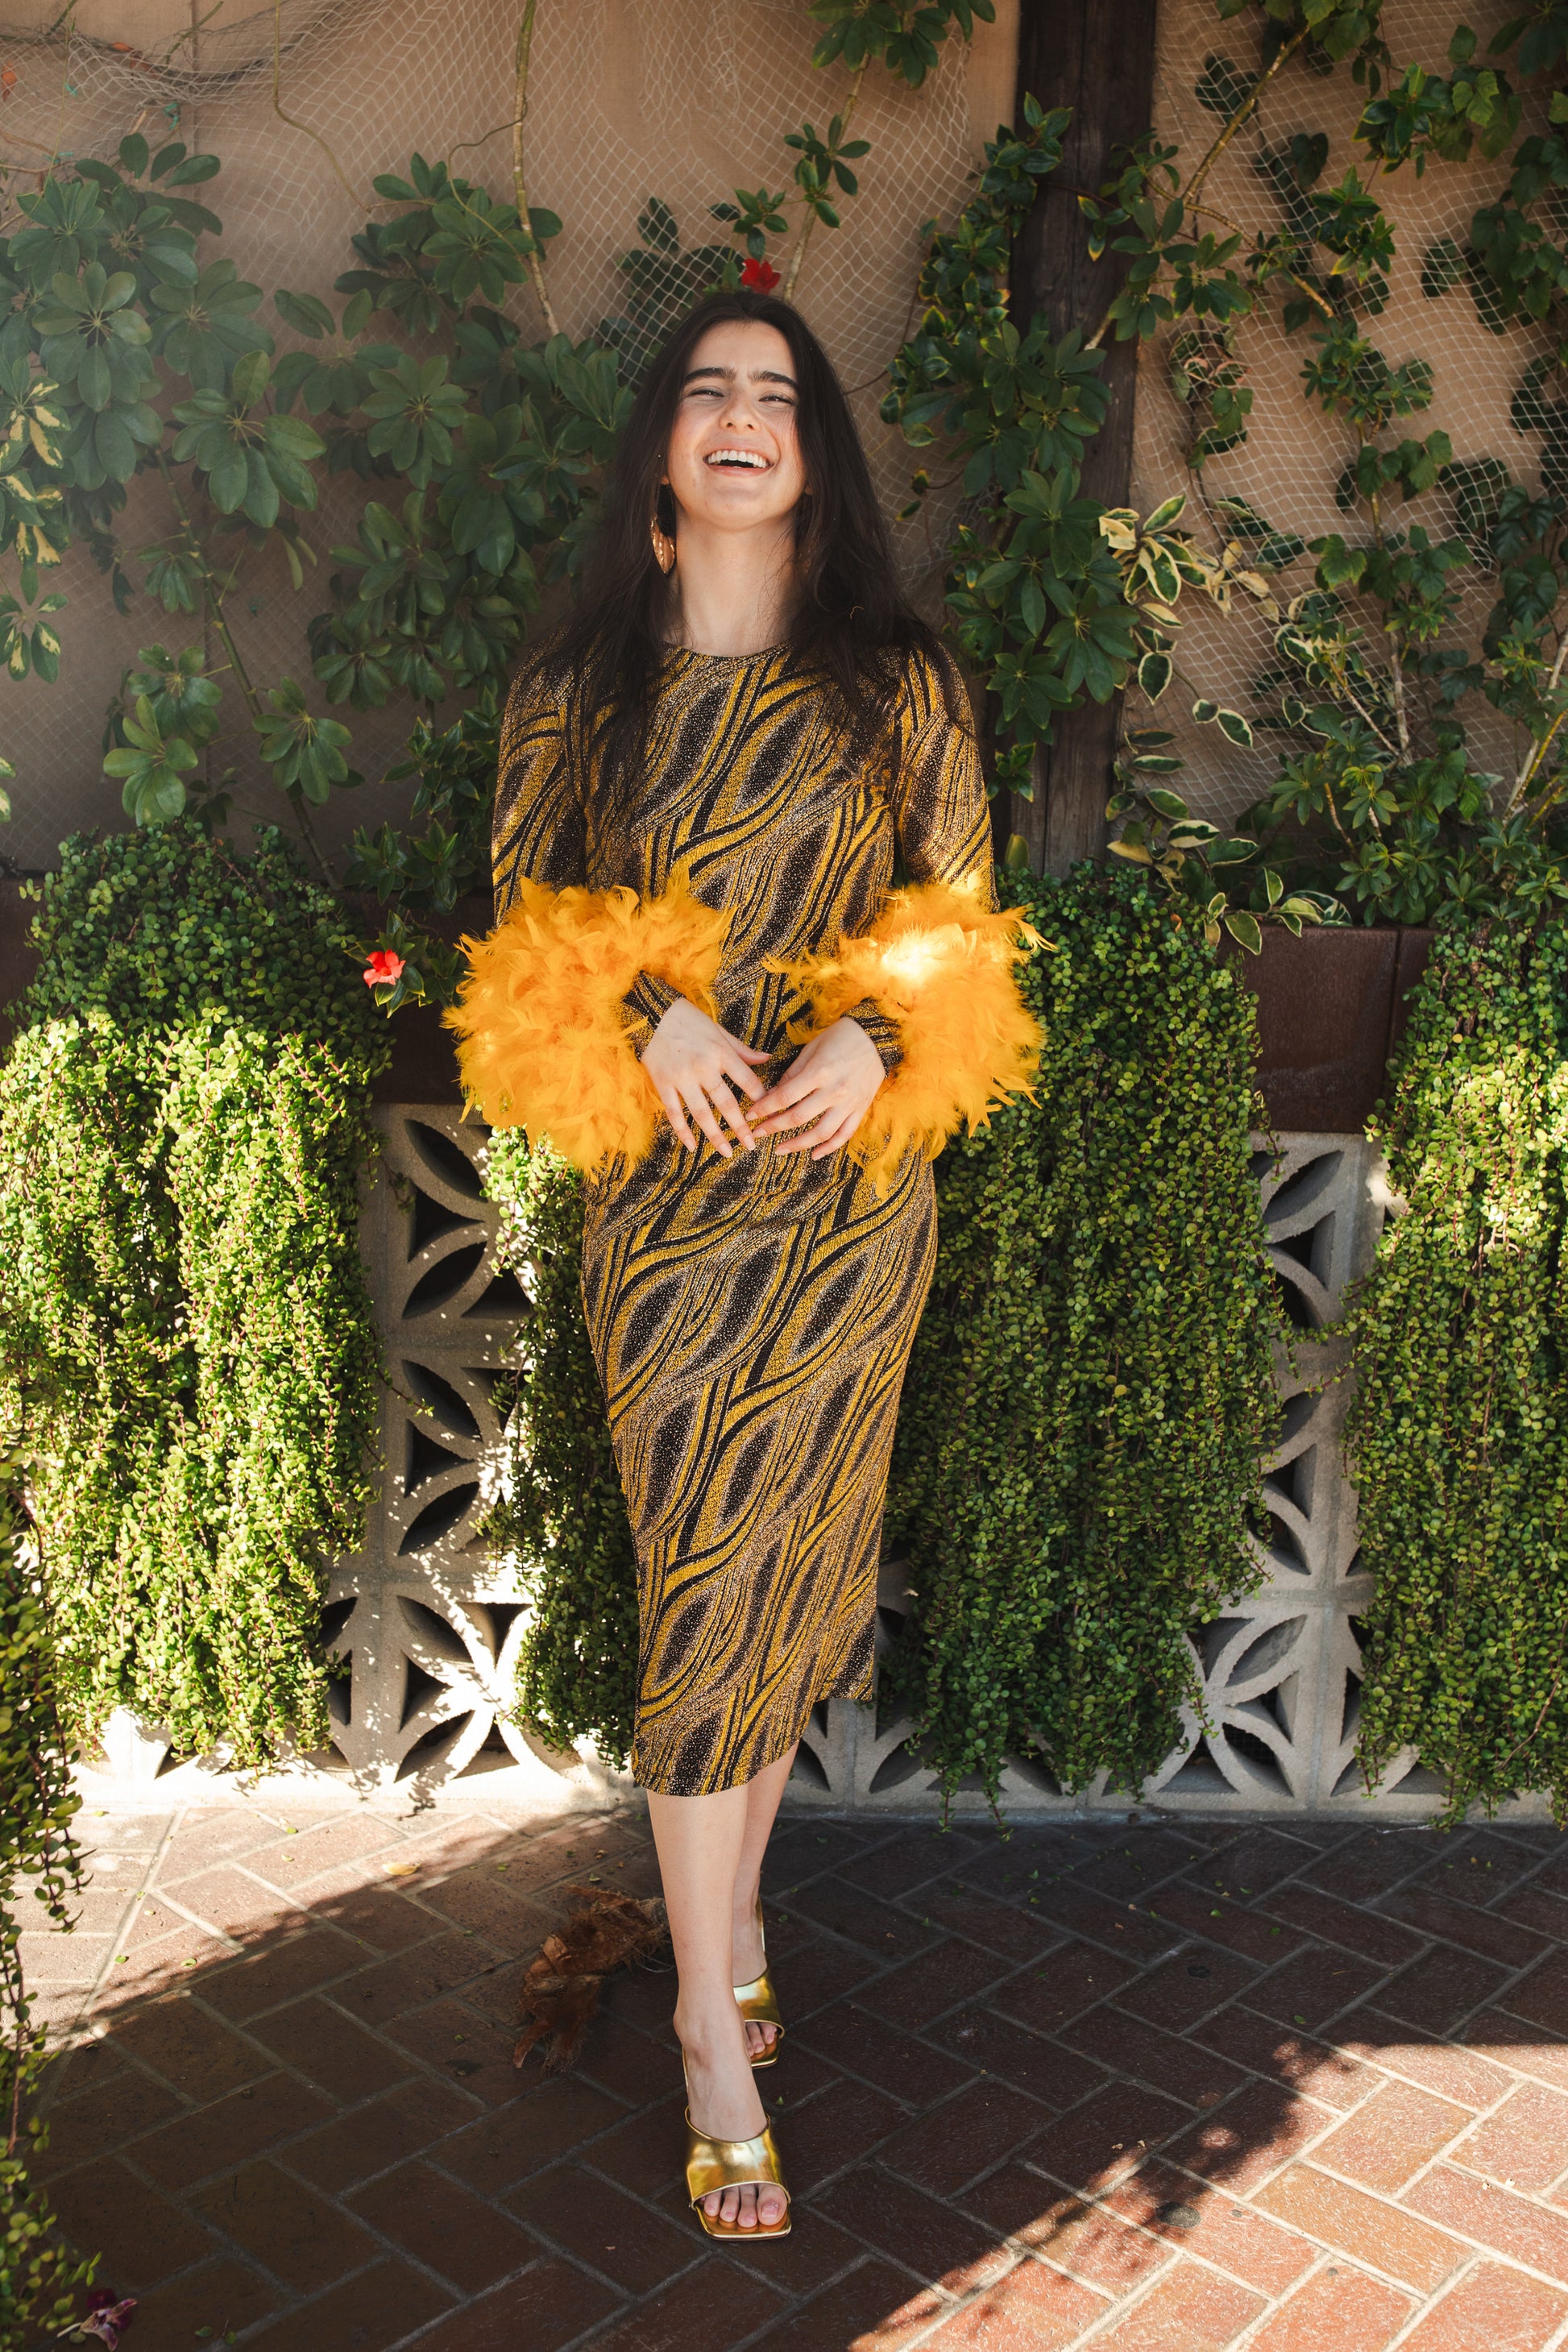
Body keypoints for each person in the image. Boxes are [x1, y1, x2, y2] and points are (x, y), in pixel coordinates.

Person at [449, 288, 1039, 2240]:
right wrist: (650, 1013)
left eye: (771, 397)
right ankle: (709, 2022)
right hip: (674, 1222)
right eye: (704, 390)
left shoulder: (898, 676)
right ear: (662, 450)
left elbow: (959, 920)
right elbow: (522, 923)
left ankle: (734, 1924)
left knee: (785, 1594)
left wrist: (880, 1030)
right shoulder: (578, 688)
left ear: (812, 457)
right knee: (708, 1589)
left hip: (850, 1209)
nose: (737, 418)